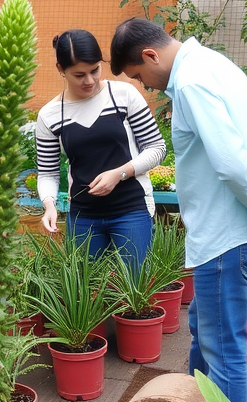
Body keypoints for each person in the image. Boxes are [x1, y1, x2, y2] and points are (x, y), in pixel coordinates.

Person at [110, 18, 247, 402]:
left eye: (138, 76)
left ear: (150, 56)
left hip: (225, 238)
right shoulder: (217, 65)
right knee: (206, 333)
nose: (144, 86)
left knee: (222, 346)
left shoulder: (190, 81)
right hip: (235, 232)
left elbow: (233, 163)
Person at [36, 29, 166, 264]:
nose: (89, 80)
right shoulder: (49, 115)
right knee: (87, 293)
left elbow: (156, 148)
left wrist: (119, 173)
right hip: (83, 216)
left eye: (95, 70)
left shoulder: (124, 95)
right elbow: (47, 172)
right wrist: (49, 205)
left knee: (132, 290)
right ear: (60, 70)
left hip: (132, 209)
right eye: (79, 74)